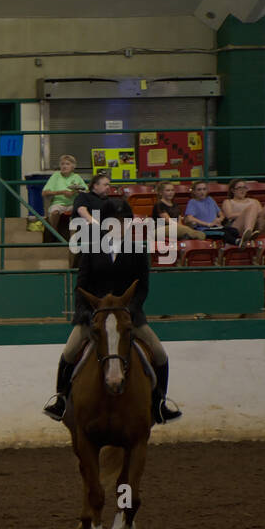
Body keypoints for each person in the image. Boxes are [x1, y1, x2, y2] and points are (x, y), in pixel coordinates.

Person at [43, 196, 181, 425]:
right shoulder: (90, 250)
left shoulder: (137, 250)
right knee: (69, 352)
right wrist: (86, 313)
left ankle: (159, 403)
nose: (118, 225)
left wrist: (130, 310)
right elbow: (81, 286)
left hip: (128, 317)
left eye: (123, 220)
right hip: (94, 317)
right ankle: (60, 400)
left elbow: (142, 288)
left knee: (159, 353)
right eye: (113, 221)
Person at [41, 155, 87, 227]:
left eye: (67, 164)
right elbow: (44, 193)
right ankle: (54, 232)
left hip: (73, 204)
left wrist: (75, 191)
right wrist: (62, 192)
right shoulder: (56, 176)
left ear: (73, 167)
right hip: (58, 204)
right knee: (55, 212)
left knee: (80, 211)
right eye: (62, 164)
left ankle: (74, 236)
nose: (64, 166)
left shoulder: (77, 177)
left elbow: (86, 191)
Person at [222, 178, 261, 245]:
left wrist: (251, 215)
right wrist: (247, 213)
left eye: (244, 188)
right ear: (233, 190)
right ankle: (248, 233)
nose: (242, 190)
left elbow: (261, 214)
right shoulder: (228, 202)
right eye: (239, 188)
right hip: (236, 226)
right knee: (252, 207)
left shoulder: (254, 201)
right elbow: (229, 215)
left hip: (256, 225)